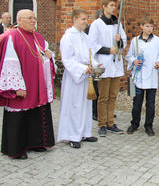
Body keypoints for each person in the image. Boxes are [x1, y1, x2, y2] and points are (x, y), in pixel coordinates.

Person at [0, 9, 56, 159]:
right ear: (20, 20)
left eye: (34, 18)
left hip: (37, 83)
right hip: (23, 83)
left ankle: (36, 142)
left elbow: (43, 56)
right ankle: (17, 149)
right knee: (20, 113)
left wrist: (49, 57)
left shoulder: (38, 37)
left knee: (36, 112)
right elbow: (9, 62)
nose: (33, 21)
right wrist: (17, 86)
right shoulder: (12, 37)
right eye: (30, 18)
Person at [57, 9, 99, 148]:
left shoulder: (85, 37)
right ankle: (72, 135)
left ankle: (84, 132)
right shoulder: (68, 37)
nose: (86, 22)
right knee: (74, 105)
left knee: (85, 105)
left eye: (87, 19)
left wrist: (96, 64)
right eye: (83, 19)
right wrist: (82, 68)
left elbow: (90, 54)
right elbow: (67, 59)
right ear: (74, 19)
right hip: (74, 77)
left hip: (86, 76)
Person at [88, 0, 127, 136]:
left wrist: (120, 41)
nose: (113, 7)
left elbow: (124, 41)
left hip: (116, 64)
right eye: (111, 5)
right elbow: (92, 44)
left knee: (113, 95)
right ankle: (102, 123)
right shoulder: (96, 24)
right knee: (103, 96)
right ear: (104, 6)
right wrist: (108, 50)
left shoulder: (118, 24)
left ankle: (110, 122)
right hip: (104, 62)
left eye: (115, 5)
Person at [126, 16, 159, 136]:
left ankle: (149, 125)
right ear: (142, 26)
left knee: (150, 103)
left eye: (151, 26)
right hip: (138, 76)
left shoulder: (158, 41)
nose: (149, 29)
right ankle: (134, 123)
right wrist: (133, 61)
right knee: (137, 103)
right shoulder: (135, 41)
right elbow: (129, 56)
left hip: (151, 76)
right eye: (147, 26)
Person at [85, 9, 103, 121]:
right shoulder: (90, 29)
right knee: (95, 89)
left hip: (102, 62)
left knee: (103, 89)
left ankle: (102, 111)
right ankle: (94, 111)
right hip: (93, 60)